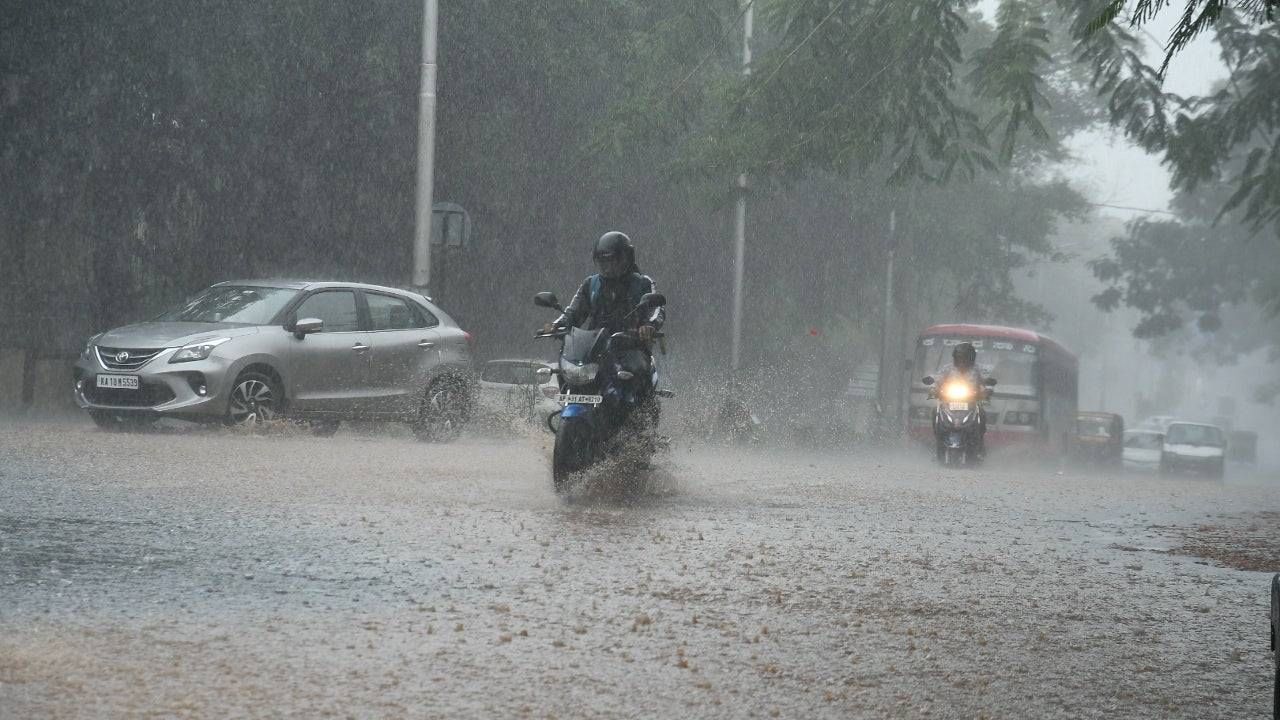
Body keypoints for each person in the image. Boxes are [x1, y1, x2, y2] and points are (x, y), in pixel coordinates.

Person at [546, 231, 665, 340]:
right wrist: (558, 324)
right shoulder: (591, 284)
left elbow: (656, 309)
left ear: (626, 259)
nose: (608, 269)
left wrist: (649, 325)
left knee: (637, 363)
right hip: (594, 351)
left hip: (632, 348)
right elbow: (574, 312)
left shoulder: (642, 283)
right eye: (603, 263)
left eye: (612, 262)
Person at [935, 342, 990, 459]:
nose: (962, 360)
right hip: (949, 402)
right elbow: (937, 379)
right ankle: (938, 445)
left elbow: (987, 381)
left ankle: (980, 446)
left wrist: (987, 389)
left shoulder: (978, 369)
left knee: (982, 414)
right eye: (959, 357)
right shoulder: (947, 368)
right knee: (935, 411)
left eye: (965, 357)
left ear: (971, 358)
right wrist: (934, 389)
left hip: (971, 402)